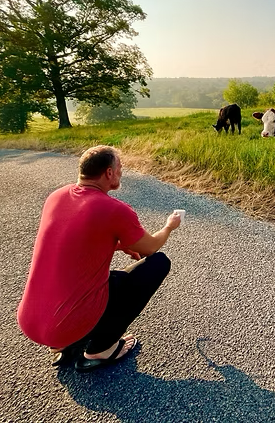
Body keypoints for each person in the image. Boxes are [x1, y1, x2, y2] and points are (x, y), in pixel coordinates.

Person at [17, 145, 182, 372]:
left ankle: (63, 345)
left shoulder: (57, 196)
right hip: (66, 324)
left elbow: (73, 242)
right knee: (157, 264)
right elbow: (151, 247)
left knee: (102, 279)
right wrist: (169, 227)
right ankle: (100, 349)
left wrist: (118, 246)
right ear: (109, 173)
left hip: (32, 323)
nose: (122, 172)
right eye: (120, 167)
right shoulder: (114, 209)